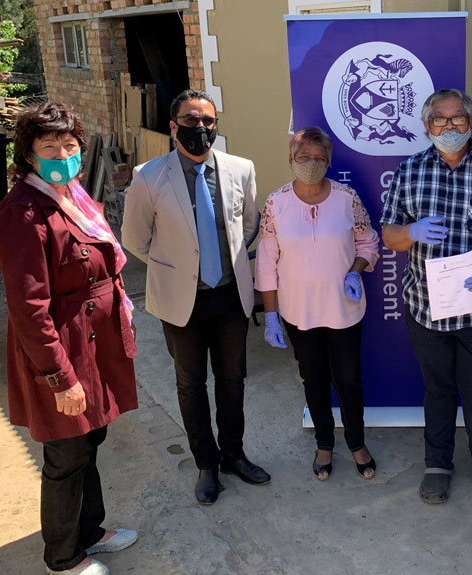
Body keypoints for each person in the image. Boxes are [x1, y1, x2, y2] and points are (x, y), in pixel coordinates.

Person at [0, 102, 139, 575]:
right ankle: (63, 556)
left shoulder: (74, 196)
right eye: (50, 147)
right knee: (65, 452)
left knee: (90, 439)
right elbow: (29, 307)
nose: (63, 153)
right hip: (61, 347)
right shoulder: (23, 212)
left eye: (70, 145)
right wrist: (59, 377)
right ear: (29, 155)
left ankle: (90, 531)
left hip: (95, 340)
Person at [121, 89, 270, 505]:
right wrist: (179, 267)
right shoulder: (148, 176)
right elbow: (134, 239)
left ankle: (234, 455)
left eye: (208, 120)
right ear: (173, 127)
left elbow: (251, 223)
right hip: (180, 301)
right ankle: (206, 464)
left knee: (233, 380)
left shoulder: (241, 169)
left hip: (229, 297)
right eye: (190, 121)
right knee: (190, 385)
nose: (200, 128)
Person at [380, 89, 472, 509]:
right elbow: (389, 235)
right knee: (438, 388)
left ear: (471, 122)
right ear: (426, 126)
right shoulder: (410, 171)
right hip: (426, 307)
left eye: (457, 118)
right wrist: (412, 232)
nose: (449, 127)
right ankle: (437, 464)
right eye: (439, 120)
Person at [255, 126, 379, 481]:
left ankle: (357, 442)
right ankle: (324, 443)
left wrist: (355, 271)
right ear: (291, 159)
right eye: (303, 157)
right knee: (313, 378)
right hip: (298, 313)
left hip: (343, 309)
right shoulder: (276, 203)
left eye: (318, 158)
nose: (311, 163)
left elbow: (368, 243)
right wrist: (272, 316)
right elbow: (266, 262)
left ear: (329, 161)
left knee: (349, 380)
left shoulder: (346, 198)